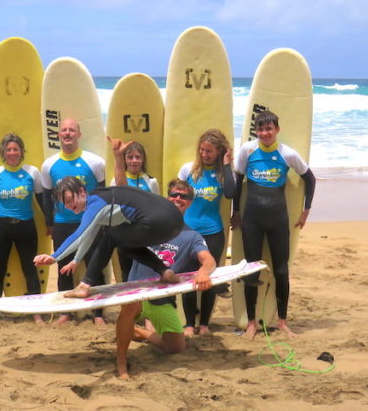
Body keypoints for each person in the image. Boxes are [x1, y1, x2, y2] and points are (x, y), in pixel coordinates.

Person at [115, 179, 216, 380]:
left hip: (161, 296)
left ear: (190, 202)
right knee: (128, 310)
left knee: (176, 347)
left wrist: (203, 272)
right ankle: (121, 363)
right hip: (137, 289)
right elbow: (123, 196)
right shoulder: (148, 222)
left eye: (184, 196)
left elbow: (209, 260)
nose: (178, 199)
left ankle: (138, 331)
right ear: (167, 197)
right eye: (174, 194)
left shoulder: (191, 235)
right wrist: (119, 160)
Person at [231, 110, 316, 339]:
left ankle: (282, 321)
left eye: (269, 129)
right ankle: (250, 322)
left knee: (281, 270)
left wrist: (306, 210)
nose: (265, 133)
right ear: (256, 131)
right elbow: (238, 181)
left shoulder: (287, 154)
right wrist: (236, 212)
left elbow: (310, 178)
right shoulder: (247, 151)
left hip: (278, 218)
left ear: (277, 130)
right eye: (261, 129)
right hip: (252, 218)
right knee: (251, 270)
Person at [33, 177, 185, 297]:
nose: (68, 206)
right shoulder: (102, 198)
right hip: (175, 222)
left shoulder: (96, 203)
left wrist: (55, 256)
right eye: (64, 203)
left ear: (82, 192)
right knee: (122, 242)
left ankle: (84, 286)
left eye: (69, 200)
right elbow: (89, 235)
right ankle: (165, 272)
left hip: (156, 222)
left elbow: (79, 235)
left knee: (110, 236)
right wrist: (76, 260)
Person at [40, 118, 106, 324]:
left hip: (91, 222)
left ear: (79, 134)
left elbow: (103, 193)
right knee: (63, 268)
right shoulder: (49, 164)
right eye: (64, 130)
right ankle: (66, 312)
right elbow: (46, 196)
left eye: (72, 130)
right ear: (58, 135)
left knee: (94, 267)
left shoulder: (95, 162)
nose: (67, 133)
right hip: (63, 223)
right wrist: (49, 222)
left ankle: (98, 314)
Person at [177, 128, 235, 336]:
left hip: (213, 232)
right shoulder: (188, 170)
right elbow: (177, 198)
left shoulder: (222, 174)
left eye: (209, 151)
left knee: (209, 278)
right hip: (188, 232)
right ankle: (190, 324)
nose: (204, 154)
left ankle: (205, 324)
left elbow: (230, 192)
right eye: (201, 150)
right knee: (189, 277)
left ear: (219, 152)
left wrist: (227, 164)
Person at [0, 133, 45, 327]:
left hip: (26, 226)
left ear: (21, 152)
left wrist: (51, 222)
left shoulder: (32, 172)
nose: (12, 153)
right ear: (3, 152)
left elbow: (42, 201)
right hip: (0, 227)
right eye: (8, 149)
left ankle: (36, 313)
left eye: (15, 149)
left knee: (30, 270)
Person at [108, 137, 160, 281]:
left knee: (148, 273)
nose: (134, 161)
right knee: (127, 275)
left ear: (143, 160)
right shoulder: (116, 180)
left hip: (146, 236)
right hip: (125, 236)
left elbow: (156, 209)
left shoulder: (151, 181)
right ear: (124, 160)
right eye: (130, 157)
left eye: (138, 157)